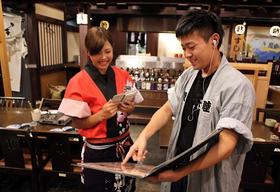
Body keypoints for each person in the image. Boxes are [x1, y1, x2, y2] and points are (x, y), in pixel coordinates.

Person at [122, 10, 255, 192]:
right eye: (183, 48)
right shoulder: (189, 76)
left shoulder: (237, 85)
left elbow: (226, 145)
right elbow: (167, 109)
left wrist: (183, 172)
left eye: (191, 47)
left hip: (206, 177)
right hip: (178, 167)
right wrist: (143, 136)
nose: (187, 54)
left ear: (214, 40)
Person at [58, 27, 143, 192]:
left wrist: (130, 108)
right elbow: (77, 123)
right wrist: (100, 115)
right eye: (97, 53)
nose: (104, 57)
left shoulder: (122, 75)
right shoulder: (77, 82)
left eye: (108, 51)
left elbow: (130, 110)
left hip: (125, 146)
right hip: (98, 152)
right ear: (89, 53)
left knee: (127, 188)